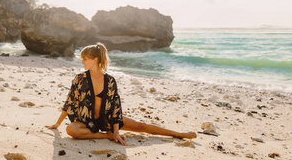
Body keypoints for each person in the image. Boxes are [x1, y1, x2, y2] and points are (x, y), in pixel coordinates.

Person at [46, 42, 197, 145]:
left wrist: (116, 131)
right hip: (87, 121)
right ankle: (106, 135)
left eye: (85, 59)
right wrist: (57, 123)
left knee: (141, 126)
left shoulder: (110, 81)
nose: (82, 62)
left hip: (108, 119)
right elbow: (70, 102)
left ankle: (179, 134)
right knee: (71, 129)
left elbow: (115, 108)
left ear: (95, 59)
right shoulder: (80, 79)